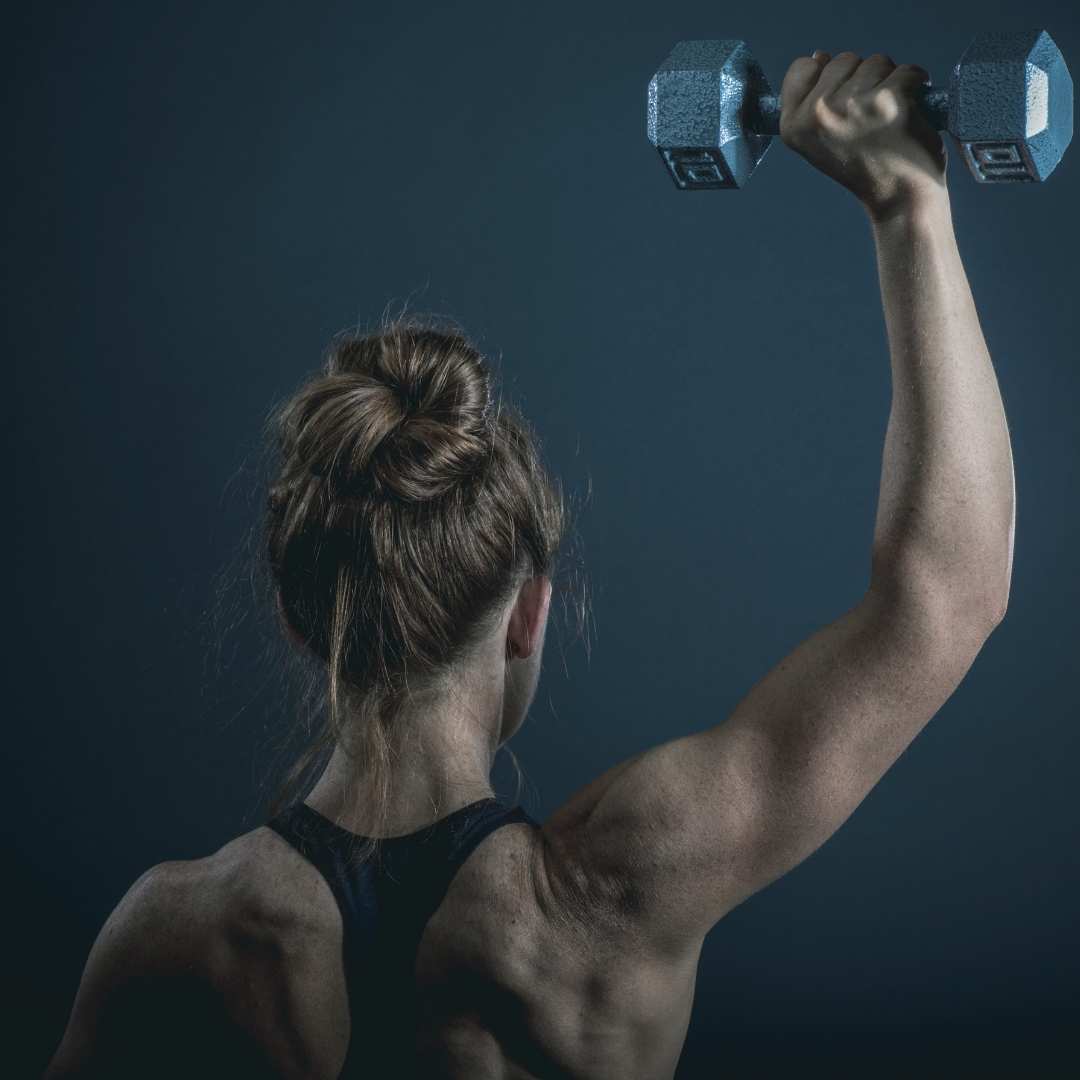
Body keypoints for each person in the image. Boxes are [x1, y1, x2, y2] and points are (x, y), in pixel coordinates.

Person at [45, 49, 1015, 1079]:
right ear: (527, 614)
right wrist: (909, 208)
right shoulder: (618, 893)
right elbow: (949, 593)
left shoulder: (170, 941)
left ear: (299, 614)